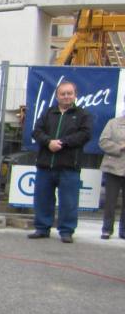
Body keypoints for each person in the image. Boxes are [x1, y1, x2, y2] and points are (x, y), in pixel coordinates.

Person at [28, 80, 92, 243]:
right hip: (45, 165)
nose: (66, 96)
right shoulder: (48, 113)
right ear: (57, 96)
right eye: (63, 94)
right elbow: (36, 131)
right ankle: (42, 228)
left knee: (69, 201)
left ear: (75, 95)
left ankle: (66, 231)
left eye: (69, 93)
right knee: (43, 199)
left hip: (69, 167)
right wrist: (48, 142)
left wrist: (62, 143)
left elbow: (85, 135)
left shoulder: (83, 115)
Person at [97, 99, 125, 240]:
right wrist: (120, 147)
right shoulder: (113, 123)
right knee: (110, 201)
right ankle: (107, 229)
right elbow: (103, 142)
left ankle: (123, 231)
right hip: (113, 168)